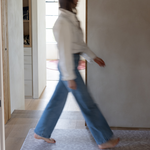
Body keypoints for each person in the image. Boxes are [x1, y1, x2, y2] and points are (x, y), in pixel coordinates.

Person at [34, 0, 120, 149]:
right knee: (87, 104)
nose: (77, 0)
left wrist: (92, 57)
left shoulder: (71, 19)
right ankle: (104, 139)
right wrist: (69, 77)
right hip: (69, 68)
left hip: (70, 66)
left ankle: (41, 131)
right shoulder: (63, 23)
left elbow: (79, 45)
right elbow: (65, 51)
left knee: (56, 102)